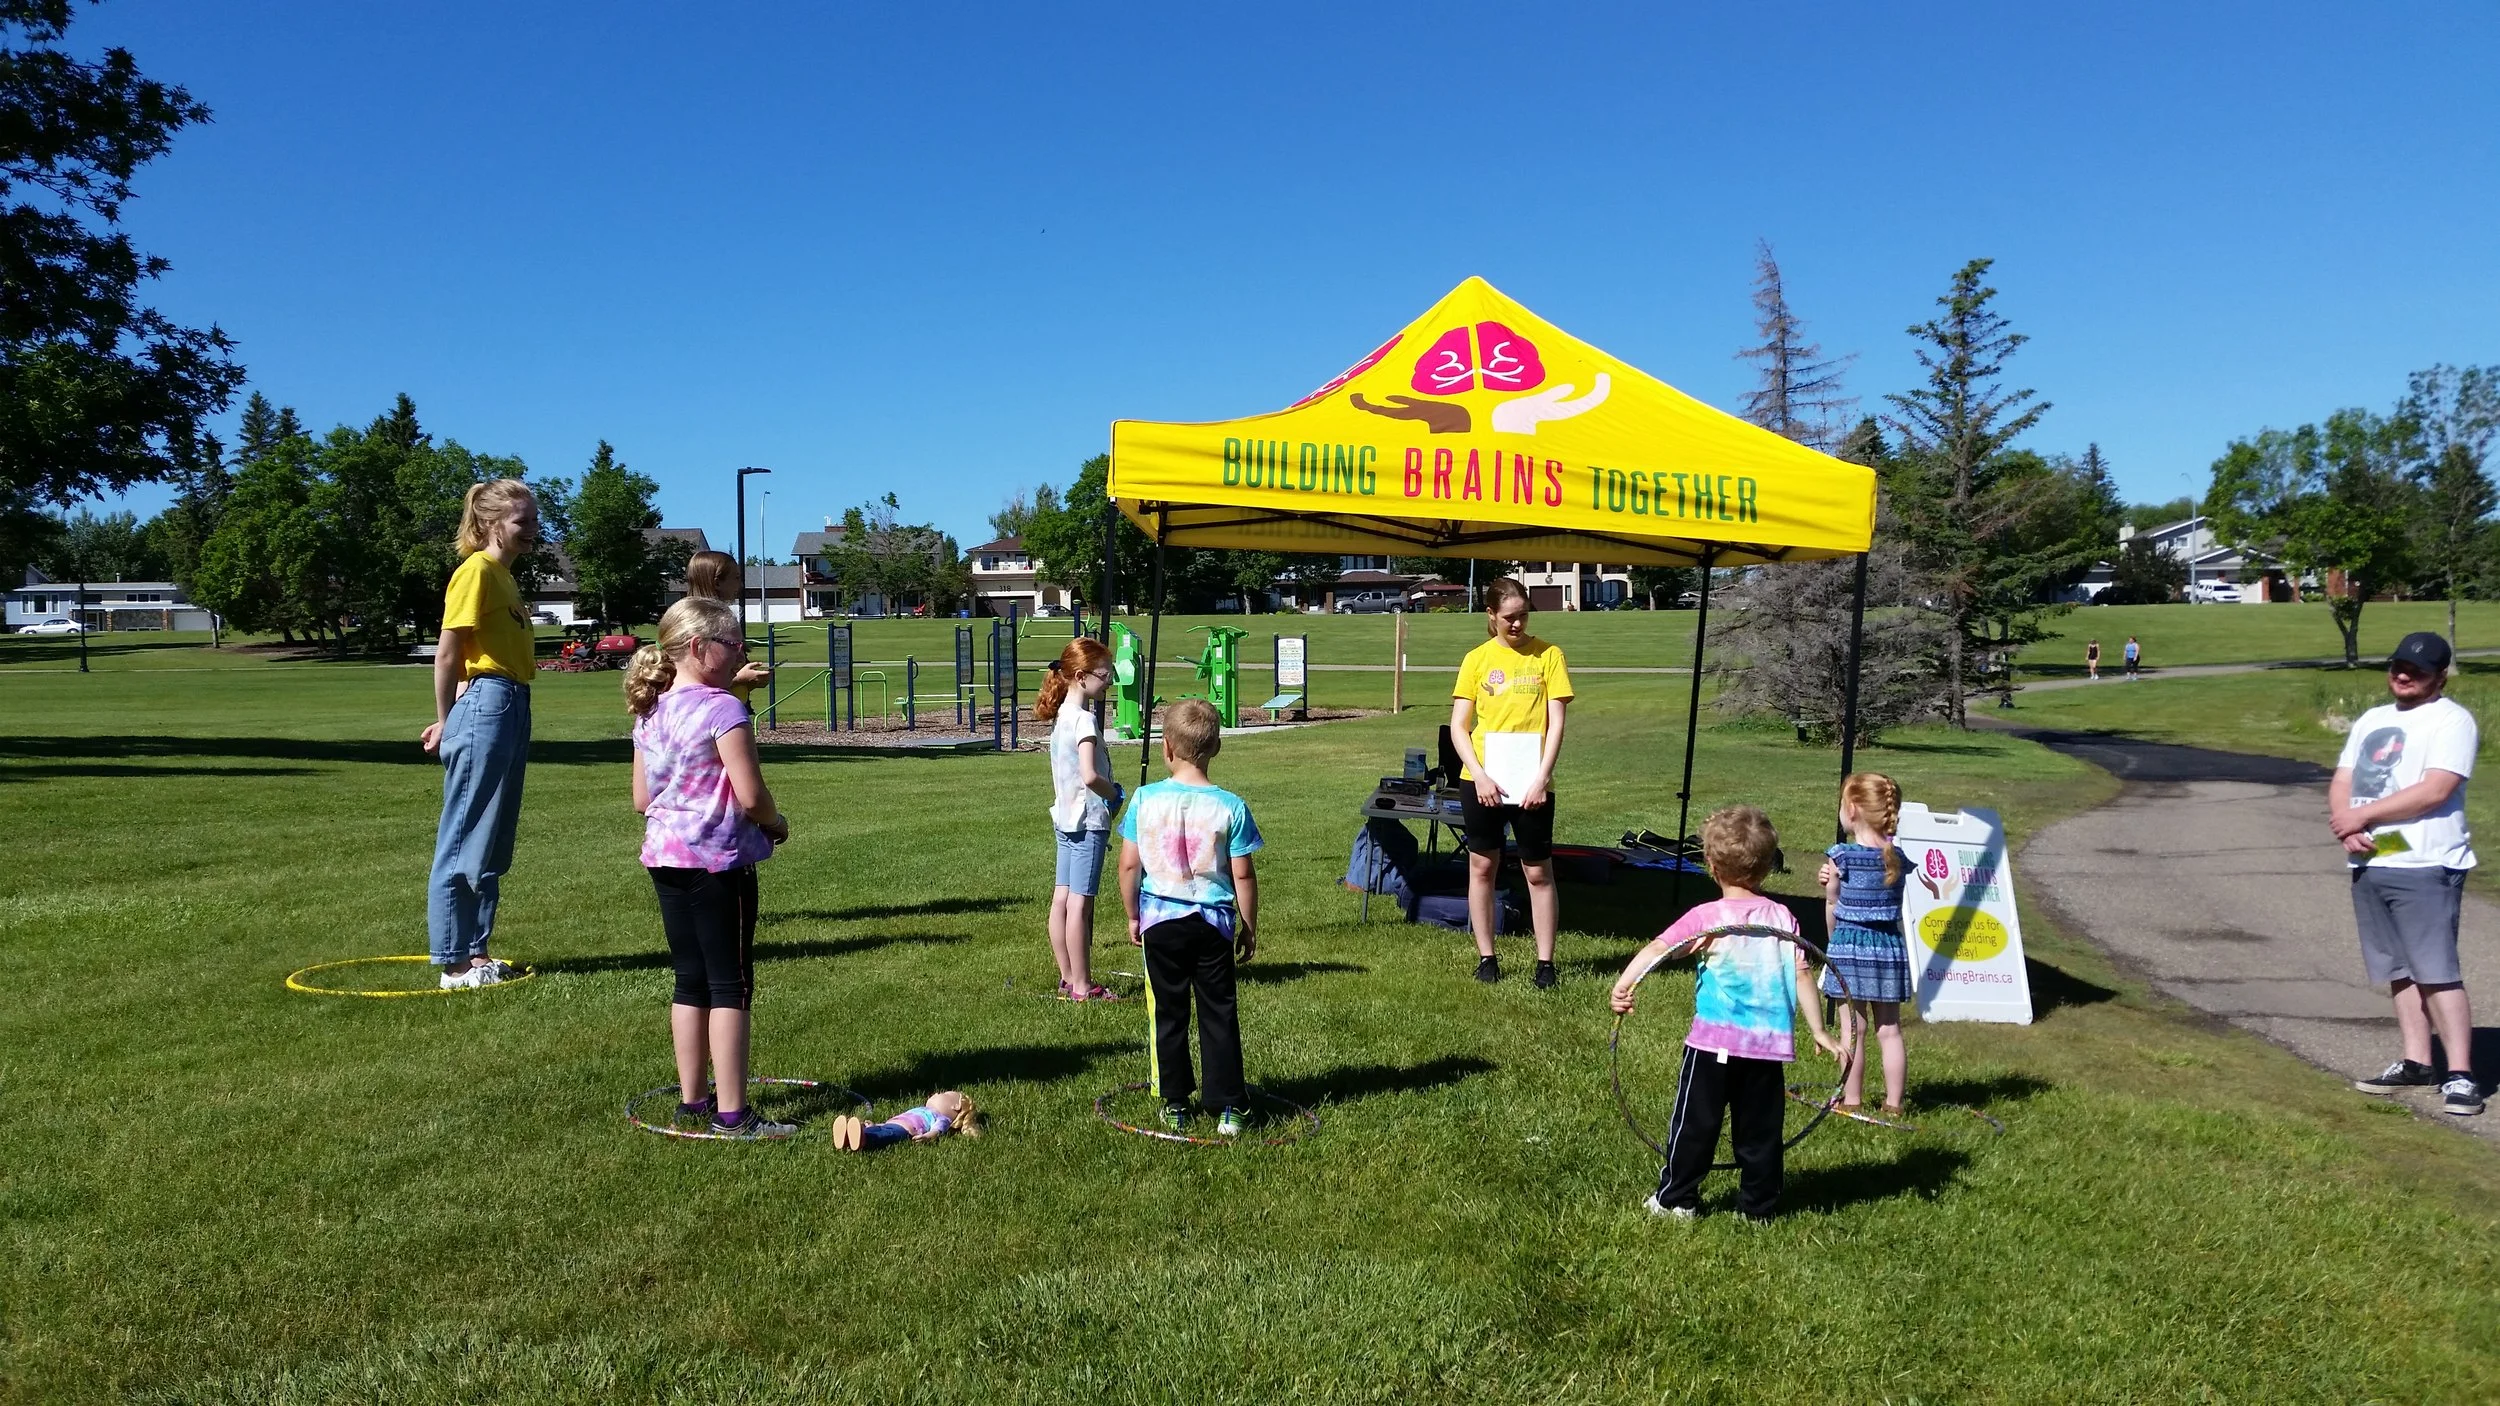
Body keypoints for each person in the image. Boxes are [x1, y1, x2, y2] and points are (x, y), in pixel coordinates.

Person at [1612, 806, 1838, 1222]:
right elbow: (1802, 973)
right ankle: (1758, 1208)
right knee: (1761, 1135)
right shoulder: (1782, 917)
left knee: (1694, 1126)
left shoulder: (1707, 918)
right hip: (1767, 1048)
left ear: (1711, 867)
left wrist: (1624, 986)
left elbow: (1659, 949)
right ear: (1767, 867)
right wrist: (1819, 1029)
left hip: (1712, 1046)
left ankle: (1676, 1200)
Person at [627, 596, 795, 1139]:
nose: (741, 654)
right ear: (699, 647)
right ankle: (734, 1114)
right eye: (733, 644)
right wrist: (776, 824)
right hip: (718, 862)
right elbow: (752, 796)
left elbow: (640, 798)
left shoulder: (650, 710)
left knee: (690, 981)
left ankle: (693, 1101)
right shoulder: (724, 709)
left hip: (665, 858)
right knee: (731, 984)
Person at [2333, 631, 2483, 1117]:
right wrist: (2346, 825)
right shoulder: (2372, 719)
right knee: (2398, 969)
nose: (2403, 675)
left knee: (2436, 970)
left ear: (2439, 677)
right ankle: (2417, 1063)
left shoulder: (2451, 720)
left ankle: (2460, 1075)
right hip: (2372, 858)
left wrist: (2362, 816)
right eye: (2398, 666)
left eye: (2417, 670)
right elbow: (2344, 778)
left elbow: (2436, 790)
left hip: (2426, 861)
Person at [1118, 698, 1264, 1137]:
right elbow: (1243, 873)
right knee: (1219, 1012)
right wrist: (1249, 925)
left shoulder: (1144, 799)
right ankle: (1230, 1106)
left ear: (1166, 747)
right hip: (1212, 926)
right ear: (1216, 747)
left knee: (1168, 1011)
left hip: (1160, 921)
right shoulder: (1231, 806)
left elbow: (1129, 865)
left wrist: (1132, 915)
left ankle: (1176, 1101)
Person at [419, 479, 542, 990]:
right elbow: (449, 652)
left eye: (534, 520)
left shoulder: (503, 578)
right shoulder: (475, 572)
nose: (532, 529)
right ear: (491, 524)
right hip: (489, 703)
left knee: (492, 838)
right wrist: (446, 718)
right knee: (465, 834)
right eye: (522, 521)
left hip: (510, 702)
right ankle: (453, 964)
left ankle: (477, 955)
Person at [1447, 576, 1574, 988]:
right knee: (1483, 866)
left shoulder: (1549, 655)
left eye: (1523, 616)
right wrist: (1480, 774)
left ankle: (1545, 963)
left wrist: (1542, 777)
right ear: (1491, 615)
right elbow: (1459, 726)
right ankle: (1487, 957)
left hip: (1532, 782)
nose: (1517, 624)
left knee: (1537, 871)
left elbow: (1556, 723)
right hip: (1481, 781)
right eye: (1509, 618)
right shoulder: (1476, 659)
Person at [1037, 637, 1126, 1001]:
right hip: (1088, 822)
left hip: (1064, 820)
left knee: (1061, 898)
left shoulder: (1061, 718)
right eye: (1105, 675)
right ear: (1081, 676)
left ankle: (1068, 977)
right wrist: (1115, 794)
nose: (1110, 682)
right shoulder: (1085, 721)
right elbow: (1090, 776)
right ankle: (1084, 987)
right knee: (1080, 903)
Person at [1817, 773, 1912, 1115]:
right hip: (1888, 947)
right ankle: (1894, 1103)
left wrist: (1833, 941)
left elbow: (1833, 905)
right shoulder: (1897, 858)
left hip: (1850, 948)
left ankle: (1851, 1100)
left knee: (1852, 1030)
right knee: (1890, 1030)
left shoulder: (1841, 857)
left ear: (1853, 809)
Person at [681, 550, 775, 702]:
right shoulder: (695, 623)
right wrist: (738, 679)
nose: (740, 585)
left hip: (729, 705)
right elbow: (692, 682)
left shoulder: (721, 619)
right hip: (710, 711)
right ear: (717, 582)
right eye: (736, 578)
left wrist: (748, 681)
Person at [829, 1091, 981, 1152]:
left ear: (955, 1107)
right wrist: (876, 1124)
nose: (936, 1093)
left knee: (884, 1136)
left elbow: (939, 1129)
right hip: (891, 1125)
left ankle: (863, 1139)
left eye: (944, 1094)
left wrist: (929, 1136)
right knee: (881, 1130)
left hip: (903, 1131)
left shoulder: (942, 1118)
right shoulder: (922, 1109)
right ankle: (851, 1137)